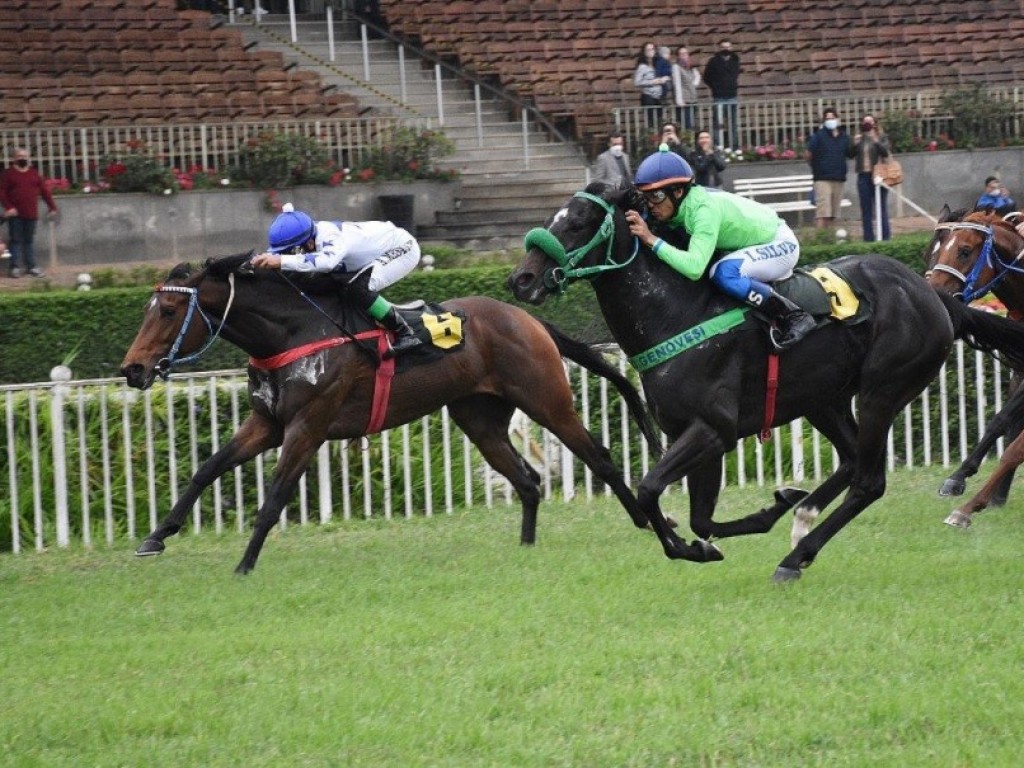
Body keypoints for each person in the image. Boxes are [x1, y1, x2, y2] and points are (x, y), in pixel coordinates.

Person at [626, 145, 814, 350]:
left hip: (780, 244)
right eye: (647, 196)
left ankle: (793, 315)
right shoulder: (680, 205)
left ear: (678, 191)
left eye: (657, 196)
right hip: (754, 244)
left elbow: (694, 268)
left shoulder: (703, 211)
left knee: (723, 273)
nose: (651, 204)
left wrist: (651, 239)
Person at [251, 204, 423, 358]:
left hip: (402, 247)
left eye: (289, 251)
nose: (287, 255)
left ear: (309, 243)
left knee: (358, 288)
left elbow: (327, 262)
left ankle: (407, 332)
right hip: (371, 253)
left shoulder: (332, 238)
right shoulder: (310, 238)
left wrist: (281, 261)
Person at [0, 147, 58, 278]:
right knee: (15, 240)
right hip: (15, 215)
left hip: (31, 214)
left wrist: (52, 207)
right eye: (20, 156)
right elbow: (2, 192)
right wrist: (9, 207)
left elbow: (44, 192)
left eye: (25, 156)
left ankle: (31, 267)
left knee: (29, 241)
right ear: (14, 158)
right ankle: (15, 267)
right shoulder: (8, 174)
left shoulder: (34, 173)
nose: (23, 158)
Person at [804, 107, 852, 232]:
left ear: (837, 119)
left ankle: (829, 237)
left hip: (839, 177)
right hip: (822, 178)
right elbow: (808, 154)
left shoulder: (844, 137)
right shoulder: (818, 136)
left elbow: (849, 153)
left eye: (832, 118)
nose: (830, 120)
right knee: (823, 212)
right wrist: (816, 166)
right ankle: (820, 238)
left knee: (833, 213)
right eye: (827, 118)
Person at [851, 114, 891, 241]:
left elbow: (885, 152)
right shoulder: (859, 138)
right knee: (866, 209)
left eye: (870, 122)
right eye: (865, 122)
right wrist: (854, 144)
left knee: (881, 208)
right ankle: (868, 238)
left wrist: (876, 140)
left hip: (879, 176)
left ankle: (885, 237)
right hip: (863, 176)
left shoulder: (881, 137)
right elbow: (850, 155)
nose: (868, 125)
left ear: (875, 124)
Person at [703, 40, 741, 149]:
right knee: (718, 124)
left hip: (732, 95)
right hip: (719, 96)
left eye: (728, 47)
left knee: (733, 123)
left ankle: (734, 146)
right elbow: (706, 77)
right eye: (723, 47)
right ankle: (718, 145)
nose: (726, 49)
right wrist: (715, 87)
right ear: (719, 48)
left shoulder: (735, 60)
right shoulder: (713, 61)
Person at [634, 42, 669, 129]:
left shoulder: (657, 64)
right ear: (644, 52)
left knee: (660, 121)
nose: (650, 51)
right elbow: (637, 82)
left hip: (659, 96)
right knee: (652, 121)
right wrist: (653, 82)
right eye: (648, 50)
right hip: (648, 96)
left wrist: (664, 78)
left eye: (652, 49)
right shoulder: (642, 66)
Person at [670, 46, 701, 131]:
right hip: (684, 101)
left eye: (686, 53)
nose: (684, 55)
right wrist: (679, 100)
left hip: (693, 99)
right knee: (686, 125)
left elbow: (697, 76)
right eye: (681, 54)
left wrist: (693, 84)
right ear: (678, 56)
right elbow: (677, 83)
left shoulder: (690, 67)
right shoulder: (676, 67)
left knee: (693, 124)